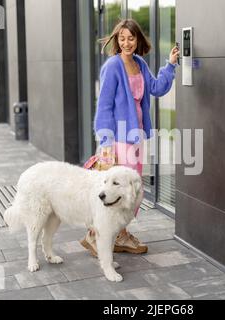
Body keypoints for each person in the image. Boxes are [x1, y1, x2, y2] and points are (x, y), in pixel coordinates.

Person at [80, 18, 179, 256]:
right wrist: (105, 143)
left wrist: (171, 65)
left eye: (131, 38)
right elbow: (103, 107)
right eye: (122, 38)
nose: (126, 43)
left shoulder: (140, 64)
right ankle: (104, 235)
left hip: (135, 137)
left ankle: (108, 234)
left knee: (133, 189)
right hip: (118, 139)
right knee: (124, 190)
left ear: (138, 40)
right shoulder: (112, 66)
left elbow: (156, 88)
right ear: (116, 40)